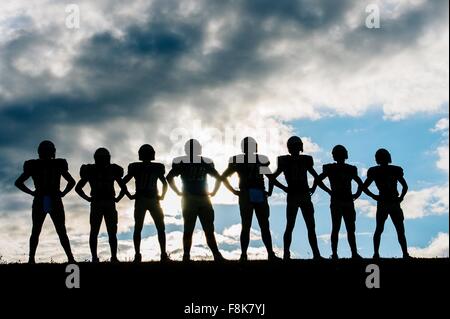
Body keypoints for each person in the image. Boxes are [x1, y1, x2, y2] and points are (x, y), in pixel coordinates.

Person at [15, 140, 76, 264]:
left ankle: (32, 259)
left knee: (44, 231)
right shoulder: (55, 164)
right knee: (52, 231)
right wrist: (62, 193)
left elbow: (18, 182)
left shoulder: (37, 165)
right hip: (49, 199)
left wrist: (32, 192)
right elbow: (72, 182)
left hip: (45, 198)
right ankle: (69, 258)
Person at [222, 137, 281, 262]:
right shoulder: (258, 160)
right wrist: (269, 191)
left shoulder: (241, 160)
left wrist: (234, 191)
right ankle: (265, 254)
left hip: (249, 193)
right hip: (254, 192)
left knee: (251, 225)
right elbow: (270, 177)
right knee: (259, 225)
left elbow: (223, 177)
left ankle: (248, 255)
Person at [166, 139, 225, 262]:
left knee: (192, 228)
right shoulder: (203, 162)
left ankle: (188, 256)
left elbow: (169, 177)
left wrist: (178, 192)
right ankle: (215, 255)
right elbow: (219, 178)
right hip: (200, 198)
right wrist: (214, 191)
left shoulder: (183, 163)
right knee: (206, 229)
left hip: (192, 198)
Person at [269, 136, 323, 260]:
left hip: (300, 194)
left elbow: (272, 178)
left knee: (305, 226)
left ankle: (314, 254)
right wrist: (283, 188)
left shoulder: (299, 160)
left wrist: (313, 187)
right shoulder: (297, 160)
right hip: (297, 195)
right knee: (295, 225)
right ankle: (291, 254)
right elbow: (272, 178)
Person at [75, 148, 126, 263]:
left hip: (102, 203)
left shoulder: (98, 170)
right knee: (101, 232)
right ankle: (103, 257)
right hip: (103, 203)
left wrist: (88, 198)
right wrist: (117, 198)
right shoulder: (93, 170)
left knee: (106, 232)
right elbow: (78, 188)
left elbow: (78, 188)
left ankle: (106, 257)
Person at [120, 144, 169, 262]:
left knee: (140, 228)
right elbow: (165, 183)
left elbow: (122, 182)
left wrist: (129, 195)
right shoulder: (156, 168)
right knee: (159, 228)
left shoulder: (136, 167)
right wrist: (162, 195)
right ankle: (162, 255)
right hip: (152, 199)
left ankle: (139, 255)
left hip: (142, 199)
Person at [315, 145, 363, 259]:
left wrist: (356, 194)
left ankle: (346, 253)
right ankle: (346, 253)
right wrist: (356, 194)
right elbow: (360, 183)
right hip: (341, 201)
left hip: (342, 200)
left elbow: (318, 180)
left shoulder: (339, 168)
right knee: (343, 228)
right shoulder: (345, 169)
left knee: (343, 228)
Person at [363, 148, 410, 259]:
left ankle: (377, 254)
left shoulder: (377, 171)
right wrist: (401, 197)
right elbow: (405, 186)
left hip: (388, 201)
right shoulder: (392, 170)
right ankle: (403, 254)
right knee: (395, 229)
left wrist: (374, 196)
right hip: (389, 201)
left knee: (383, 229)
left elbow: (364, 187)